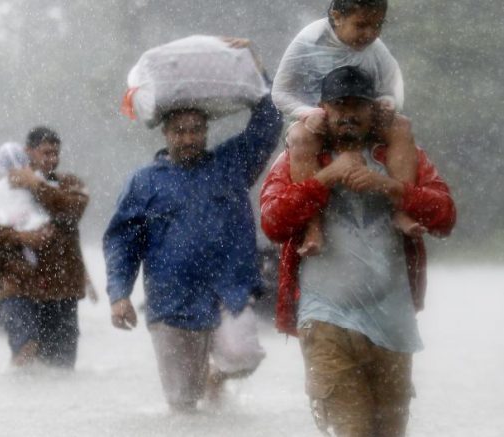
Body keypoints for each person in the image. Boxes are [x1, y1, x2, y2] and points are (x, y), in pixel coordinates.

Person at [260, 66, 456, 436]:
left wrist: (391, 188)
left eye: (358, 105)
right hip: (324, 321)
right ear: (323, 109)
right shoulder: (298, 158)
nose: (348, 114)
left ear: (375, 110)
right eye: (339, 105)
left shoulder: (401, 155)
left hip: (393, 322)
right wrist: (325, 178)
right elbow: (272, 222)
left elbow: (445, 216)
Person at [103, 52, 283, 411]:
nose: (189, 138)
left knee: (243, 354)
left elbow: (269, 122)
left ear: (206, 130)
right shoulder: (144, 182)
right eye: (180, 131)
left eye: (196, 130)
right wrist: (119, 294)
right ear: (166, 132)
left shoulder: (231, 164)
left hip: (227, 289)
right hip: (171, 301)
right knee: (183, 408)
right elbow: (122, 241)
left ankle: (215, 378)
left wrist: (256, 66)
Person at [272, 0, 422, 257]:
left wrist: (389, 103)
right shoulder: (310, 40)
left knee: (401, 126)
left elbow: (393, 84)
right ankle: (313, 225)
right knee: (299, 137)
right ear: (337, 16)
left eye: (377, 25)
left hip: (362, 119)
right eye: (361, 25)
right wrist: (307, 114)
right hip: (319, 121)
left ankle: (400, 209)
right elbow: (280, 92)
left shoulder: (376, 47)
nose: (370, 34)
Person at [0, 127, 89, 368]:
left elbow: (71, 211)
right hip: (17, 287)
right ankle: (16, 402)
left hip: (61, 287)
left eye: (56, 153)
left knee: (62, 367)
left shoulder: (69, 184)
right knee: (26, 350)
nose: (52, 159)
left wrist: (36, 185)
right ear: (28, 153)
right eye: (46, 153)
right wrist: (20, 237)